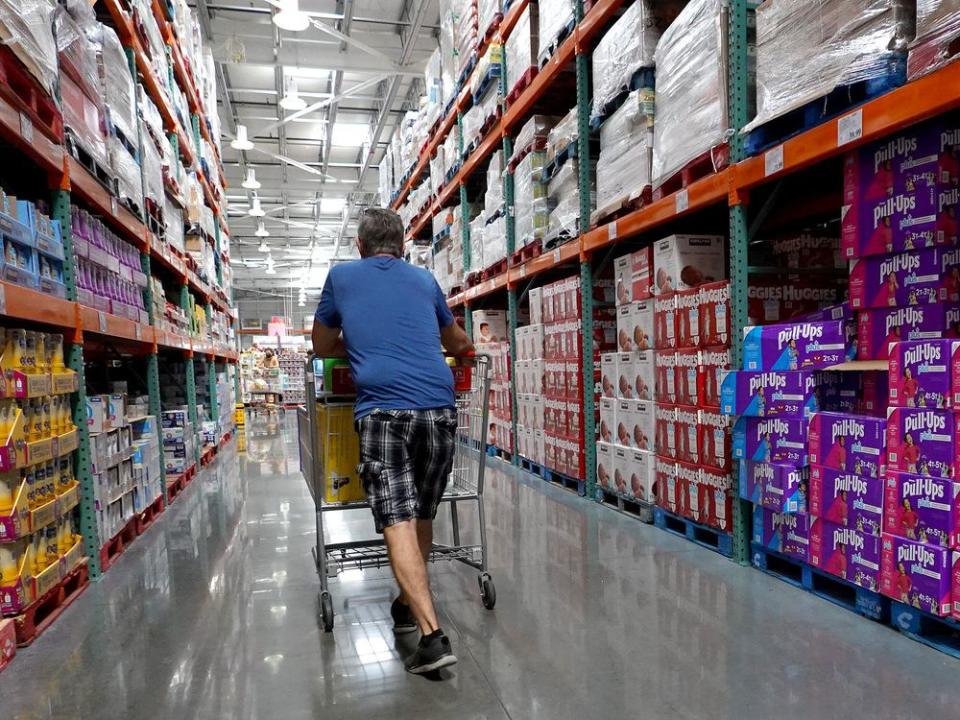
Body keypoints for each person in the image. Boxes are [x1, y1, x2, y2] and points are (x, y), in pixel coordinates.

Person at [311, 208, 474, 675]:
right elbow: (457, 340)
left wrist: (359, 344)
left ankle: (432, 636)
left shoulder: (341, 277)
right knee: (421, 513)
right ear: (402, 246)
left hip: (384, 415)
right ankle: (407, 603)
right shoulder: (424, 280)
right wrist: (462, 349)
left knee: (398, 520)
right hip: (439, 412)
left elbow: (322, 345)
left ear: (360, 246)